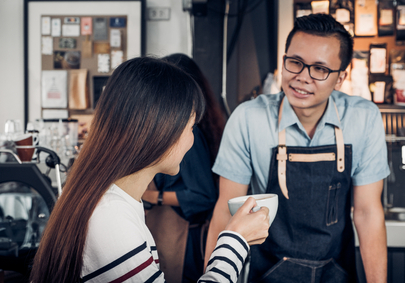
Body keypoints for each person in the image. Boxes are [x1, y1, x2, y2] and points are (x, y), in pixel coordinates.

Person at [29, 56, 269, 283]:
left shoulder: (109, 200)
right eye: (190, 126)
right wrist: (235, 241)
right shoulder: (112, 219)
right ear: (161, 129)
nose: (191, 140)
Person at [205, 13, 389, 283]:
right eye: (295, 63)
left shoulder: (363, 118)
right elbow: (225, 211)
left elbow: (367, 212)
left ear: (340, 78)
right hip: (267, 273)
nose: (303, 77)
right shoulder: (248, 118)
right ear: (284, 61)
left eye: (320, 69)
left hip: (338, 272)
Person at [142, 53, 225, 283]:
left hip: (184, 238)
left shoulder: (189, 135)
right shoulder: (181, 129)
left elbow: (203, 196)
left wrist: (152, 196)